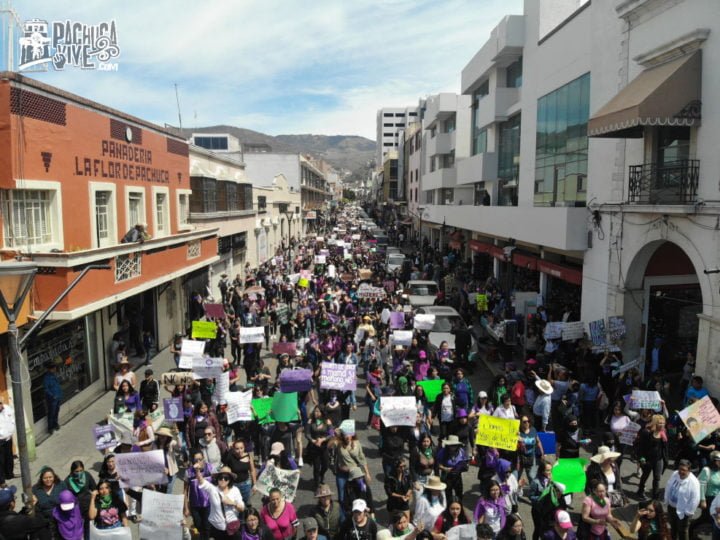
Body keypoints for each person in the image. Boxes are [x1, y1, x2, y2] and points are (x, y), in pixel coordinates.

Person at [196, 465, 245, 539]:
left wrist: (232, 503)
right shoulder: (213, 489)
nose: (223, 480)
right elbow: (201, 481)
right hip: (217, 528)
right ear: (217, 478)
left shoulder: (235, 490)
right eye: (220, 477)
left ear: (230, 479)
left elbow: (242, 508)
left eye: (226, 478)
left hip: (232, 528)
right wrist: (197, 470)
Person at [664, 459, 700, 540]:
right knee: (673, 528)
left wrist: (688, 513)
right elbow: (668, 486)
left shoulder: (694, 482)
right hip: (671, 507)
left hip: (683, 512)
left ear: (689, 471)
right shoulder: (675, 474)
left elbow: (695, 499)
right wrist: (666, 500)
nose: (681, 472)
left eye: (684, 470)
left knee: (682, 531)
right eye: (680, 469)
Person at [637, 414, 669, 499]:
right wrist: (642, 458)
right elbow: (641, 447)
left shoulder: (663, 433)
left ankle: (655, 496)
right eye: (660, 423)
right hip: (648, 459)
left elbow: (664, 447)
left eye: (663, 423)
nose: (662, 425)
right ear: (655, 423)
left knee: (657, 478)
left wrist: (665, 458)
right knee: (645, 475)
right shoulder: (647, 432)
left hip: (659, 459)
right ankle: (640, 491)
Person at [222, 439, 256, 506]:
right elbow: (223, 460)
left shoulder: (248, 456)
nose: (240, 451)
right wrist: (227, 450)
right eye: (237, 449)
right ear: (233, 449)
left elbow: (252, 470)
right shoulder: (230, 456)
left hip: (245, 484)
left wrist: (254, 483)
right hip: (234, 484)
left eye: (241, 448)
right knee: (235, 504)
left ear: (244, 448)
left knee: (245, 504)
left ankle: (245, 516)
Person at [32, 466, 65, 533]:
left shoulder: (61, 485)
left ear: (54, 477)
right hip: (44, 523)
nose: (48, 480)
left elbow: (68, 498)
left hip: (60, 520)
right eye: (45, 478)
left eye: (50, 477)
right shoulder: (36, 489)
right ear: (41, 479)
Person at [65, 460, 96, 527]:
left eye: (81, 470)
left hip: (88, 505)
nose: (79, 473)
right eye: (77, 471)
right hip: (76, 508)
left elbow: (94, 488)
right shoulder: (67, 481)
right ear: (72, 471)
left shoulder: (87, 475)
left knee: (88, 526)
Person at [0, 398, 16, 486]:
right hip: (0, 440)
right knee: (0, 461)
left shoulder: (7, 408)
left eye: (0, 403)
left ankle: (9, 474)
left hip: (8, 438)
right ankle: (1, 481)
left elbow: (12, 418)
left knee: (9, 457)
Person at [43, 362, 63, 435]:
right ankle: (50, 428)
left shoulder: (54, 375)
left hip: (57, 397)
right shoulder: (46, 378)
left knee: (56, 411)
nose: (55, 370)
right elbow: (46, 389)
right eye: (53, 369)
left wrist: (60, 394)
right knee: (51, 413)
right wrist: (52, 396)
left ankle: (55, 424)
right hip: (52, 399)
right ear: (49, 369)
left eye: (55, 368)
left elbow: (57, 385)